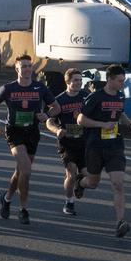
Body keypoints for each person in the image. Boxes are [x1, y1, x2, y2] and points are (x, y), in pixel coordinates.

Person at [0, 55, 59, 225]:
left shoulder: (40, 87)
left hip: (32, 132)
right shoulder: (8, 88)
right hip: (14, 131)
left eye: (29, 66)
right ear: (17, 69)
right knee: (26, 170)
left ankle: (7, 198)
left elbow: (56, 107)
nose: (27, 69)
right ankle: (24, 209)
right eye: (23, 66)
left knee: (20, 171)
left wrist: (46, 115)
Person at [75, 64, 131, 237]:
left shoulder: (120, 96)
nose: (122, 84)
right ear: (109, 79)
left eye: (123, 81)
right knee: (93, 183)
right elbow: (81, 119)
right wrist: (102, 124)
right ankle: (80, 182)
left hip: (115, 146)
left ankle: (120, 222)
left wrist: (130, 124)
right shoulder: (95, 97)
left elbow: (120, 113)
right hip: (95, 146)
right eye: (119, 81)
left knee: (118, 183)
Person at [45, 68, 89, 216]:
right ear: (68, 81)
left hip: (84, 142)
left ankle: (79, 183)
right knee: (71, 172)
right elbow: (48, 120)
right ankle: (69, 202)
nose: (79, 83)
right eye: (76, 80)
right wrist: (56, 130)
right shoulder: (60, 100)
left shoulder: (86, 96)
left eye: (80, 80)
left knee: (90, 177)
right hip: (67, 142)